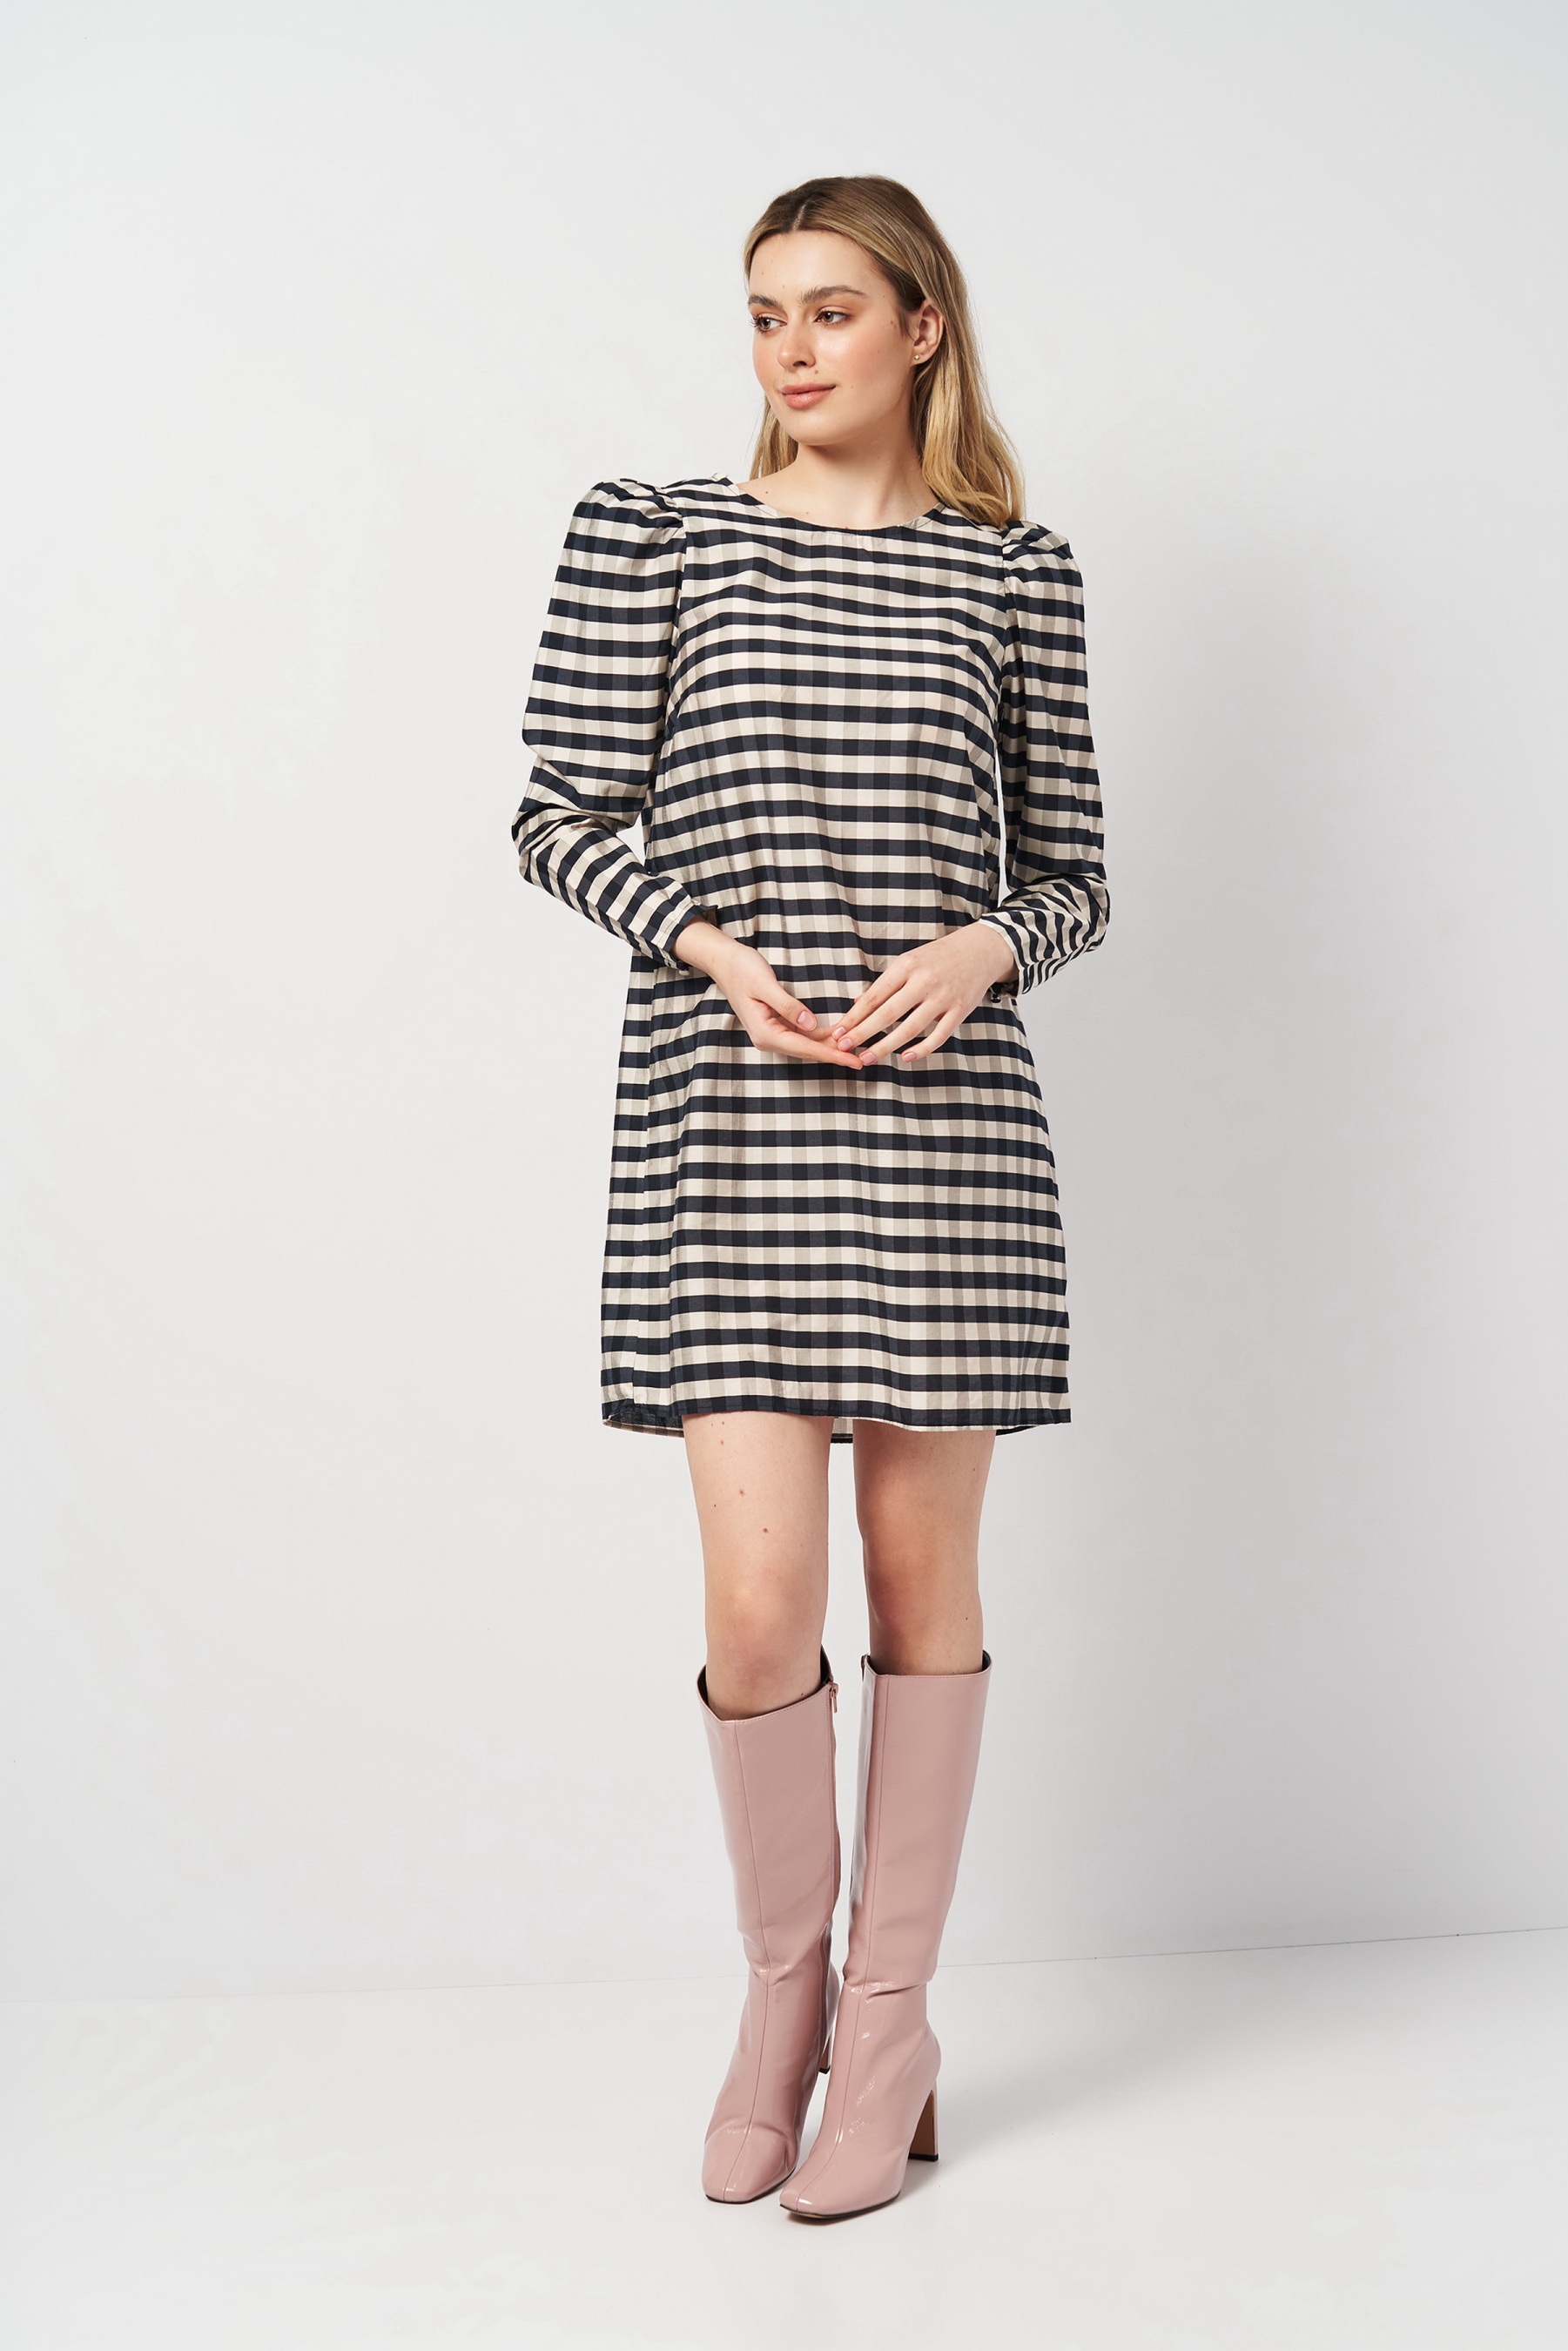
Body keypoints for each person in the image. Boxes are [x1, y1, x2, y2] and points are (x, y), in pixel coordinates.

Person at [512, 175, 1109, 2221]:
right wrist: (700, 943)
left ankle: (894, 2020)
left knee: (921, 1588)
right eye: (764, 311)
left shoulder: (1014, 572)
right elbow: (555, 811)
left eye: (833, 308)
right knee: (760, 1609)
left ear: (922, 325)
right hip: (725, 1117)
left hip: (948, 1133)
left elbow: (1073, 870)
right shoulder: (652, 535)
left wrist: (989, 946)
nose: (790, 346)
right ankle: (783, 2006)